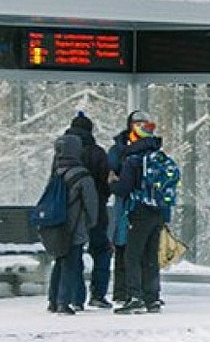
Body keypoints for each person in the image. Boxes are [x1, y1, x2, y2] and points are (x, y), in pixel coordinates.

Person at [109, 116, 173, 314]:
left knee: (132, 255)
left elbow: (123, 188)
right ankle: (152, 298)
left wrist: (112, 182)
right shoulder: (160, 157)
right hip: (158, 212)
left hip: (138, 212)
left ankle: (134, 296)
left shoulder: (133, 160)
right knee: (150, 256)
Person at [46, 133, 99, 315]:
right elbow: (91, 204)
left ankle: (52, 300)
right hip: (75, 226)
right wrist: (92, 223)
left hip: (56, 226)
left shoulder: (56, 172)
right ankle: (64, 302)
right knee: (71, 263)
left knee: (59, 262)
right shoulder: (82, 174)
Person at [65, 112, 112, 308]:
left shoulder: (64, 153)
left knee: (74, 252)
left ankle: (76, 297)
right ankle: (98, 294)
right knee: (101, 250)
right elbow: (106, 182)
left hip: (71, 213)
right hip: (97, 210)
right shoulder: (97, 152)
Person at [106, 109, 149, 303]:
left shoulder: (126, 149)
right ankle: (125, 291)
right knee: (125, 248)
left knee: (133, 250)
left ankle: (133, 291)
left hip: (133, 206)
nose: (140, 127)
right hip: (130, 206)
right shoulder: (124, 149)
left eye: (144, 123)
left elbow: (115, 177)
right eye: (137, 123)